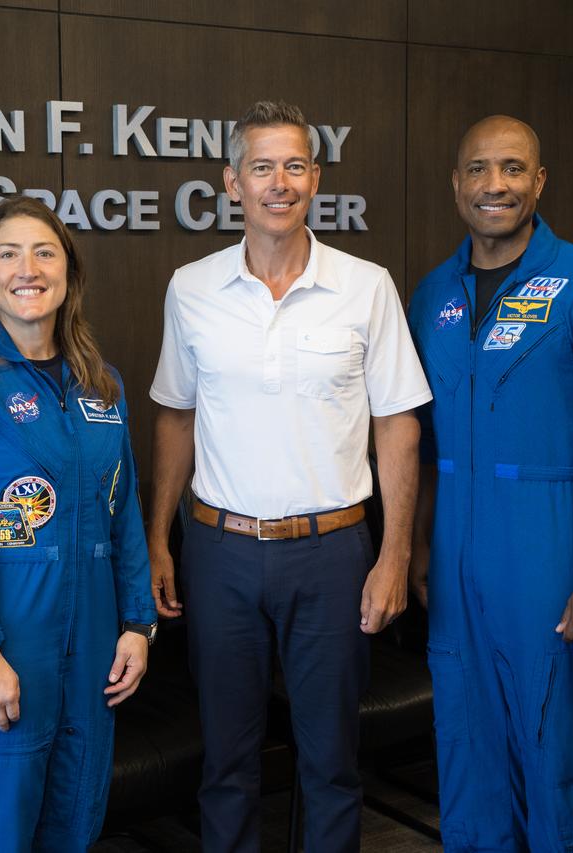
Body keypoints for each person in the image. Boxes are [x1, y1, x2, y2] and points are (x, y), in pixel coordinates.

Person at [148, 100, 431, 853]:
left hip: (333, 552)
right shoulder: (192, 287)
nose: (280, 182)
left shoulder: (366, 285)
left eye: (296, 166)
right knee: (228, 759)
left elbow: (398, 421)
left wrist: (394, 554)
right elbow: (175, 414)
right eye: (262, 166)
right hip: (220, 549)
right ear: (231, 182)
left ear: (316, 179)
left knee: (331, 762)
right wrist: (156, 540)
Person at [407, 115, 573, 853]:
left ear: (540, 181)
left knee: (551, 739)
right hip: (457, 551)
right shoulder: (433, 294)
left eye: (514, 169)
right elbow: (424, 441)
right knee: (466, 738)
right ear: (456, 183)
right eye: (479, 169)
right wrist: (423, 543)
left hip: (549, 546)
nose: (495, 185)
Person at [0, 194, 157, 851]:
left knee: (79, 814)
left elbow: (124, 506)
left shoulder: (101, 385)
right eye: (9, 252)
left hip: (97, 636)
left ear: (70, 274)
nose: (29, 267)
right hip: (8, 639)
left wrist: (139, 622)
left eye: (45, 251)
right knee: (3, 821)